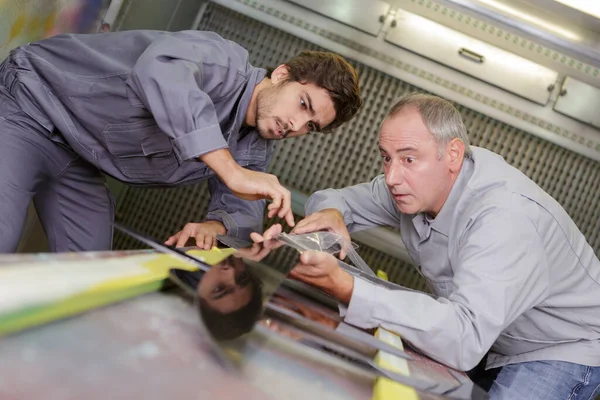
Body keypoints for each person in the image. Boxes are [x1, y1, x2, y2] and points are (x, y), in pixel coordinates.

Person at [255, 93, 600, 399]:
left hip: (562, 345)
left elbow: (464, 338)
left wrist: (349, 289)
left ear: (452, 154)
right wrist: (328, 218)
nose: (391, 176)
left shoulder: (503, 218)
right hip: (489, 334)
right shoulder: (416, 185)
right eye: (386, 158)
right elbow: (334, 201)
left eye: (408, 158)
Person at [0, 29, 362, 253]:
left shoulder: (253, 147)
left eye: (310, 126)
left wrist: (216, 227)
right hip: (30, 108)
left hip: (78, 159)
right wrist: (230, 170)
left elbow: (241, 207)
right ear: (282, 74)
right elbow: (161, 70)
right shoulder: (224, 62)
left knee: (87, 271)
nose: (296, 125)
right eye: (303, 104)